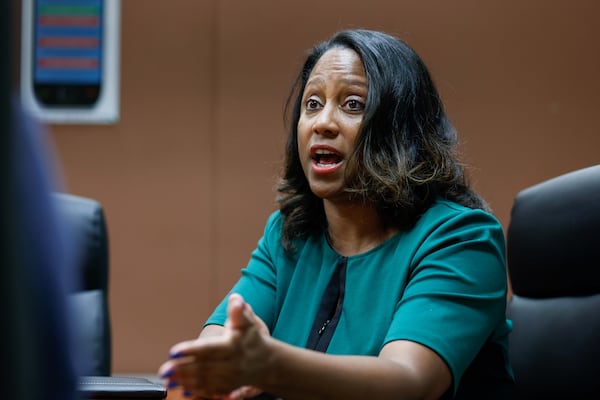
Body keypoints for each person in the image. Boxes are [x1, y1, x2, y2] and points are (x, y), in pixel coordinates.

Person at [158, 29, 514, 400]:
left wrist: (269, 367)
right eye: (312, 104)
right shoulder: (290, 233)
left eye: (353, 105)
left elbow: (409, 382)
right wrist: (213, 367)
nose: (322, 123)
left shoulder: (462, 238)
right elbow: (221, 347)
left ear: (402, 129)